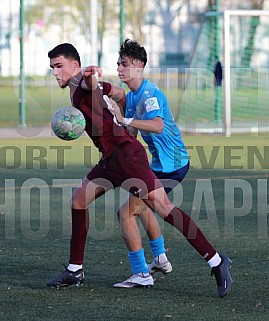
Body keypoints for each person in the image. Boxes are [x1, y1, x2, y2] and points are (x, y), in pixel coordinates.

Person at [107, 39, 233, 298]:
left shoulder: (150, 94)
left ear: (140, 65)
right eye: (118, 63)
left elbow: (157, 125)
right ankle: (161, 259)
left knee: (133, 212)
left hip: (172, 165)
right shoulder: (132, 97)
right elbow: (132, 131)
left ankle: (214, 261)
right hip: (160, 165)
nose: (119, 68)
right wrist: (116, 121)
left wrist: (125, 119)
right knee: (140, 208)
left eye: (125, 63)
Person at [47, 42, 176, 290]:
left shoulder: (79, 82)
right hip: (113, 156)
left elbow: (90, 82)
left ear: (75, 65)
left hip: (128, 156)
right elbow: (118, 92)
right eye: (52, 68)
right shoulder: (76, 88)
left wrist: (92, 77)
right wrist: (124, 122)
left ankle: (206, 260)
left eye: (58, 66)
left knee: (136, 210)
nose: (55, 72)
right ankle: (77, 269)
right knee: (82, 202)